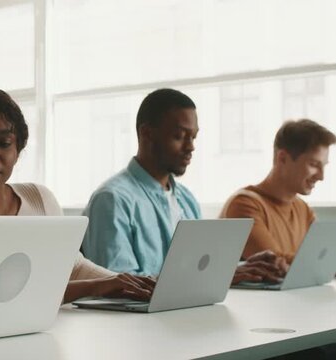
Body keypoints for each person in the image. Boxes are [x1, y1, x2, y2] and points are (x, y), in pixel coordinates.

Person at [0, 89, 155, 304]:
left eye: (4, 143)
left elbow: (74, 266)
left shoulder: (39, 198)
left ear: (17, 150)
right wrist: (96, 287)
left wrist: (130, 283)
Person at [81, 88, 285, 283]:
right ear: (147, 134)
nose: (190, 147)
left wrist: (241, 268)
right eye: (179, 136)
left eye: (193, 137)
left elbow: (199, 270)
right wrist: (218, 276)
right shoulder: (112, 200)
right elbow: (116, 285)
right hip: (135, 320)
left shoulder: (187, 200)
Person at [221, 119, 336, 264]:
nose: (321, 176)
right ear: (282, 158)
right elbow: (274, 263)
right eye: (313, 164)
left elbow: (324, 256)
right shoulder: (244, 204)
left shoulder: (303, 209)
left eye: (323, 166)